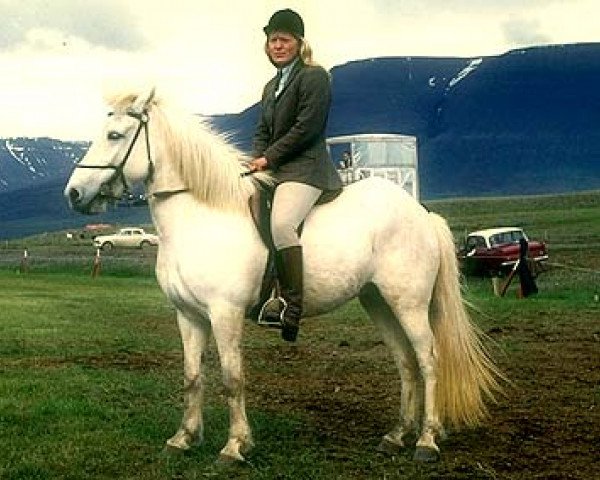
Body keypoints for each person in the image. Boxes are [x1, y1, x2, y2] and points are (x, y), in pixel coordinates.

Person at [249, 8, 342, 342]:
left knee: (282, 225)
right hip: (277, 168)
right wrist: (256, 158)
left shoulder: (314, 77)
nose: (277, 46)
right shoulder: (270, 86)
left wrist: (268, 158)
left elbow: (307, 128)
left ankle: (292, 307)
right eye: (273, 40)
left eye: (284, 40)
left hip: (306, 168)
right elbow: (262, 130)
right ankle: (264, 293)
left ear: (299, 43)